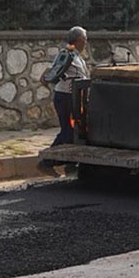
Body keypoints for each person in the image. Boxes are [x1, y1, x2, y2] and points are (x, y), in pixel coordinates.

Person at [39, 26, 90, 176]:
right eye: (85, 40)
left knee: (77, 132)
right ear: (79, 40)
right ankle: (46, 162)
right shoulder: (68, 54)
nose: (86, 43)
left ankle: (70, 164)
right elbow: (53, 69)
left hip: (73, 98)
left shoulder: (73, 54)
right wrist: (46, 77)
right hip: (66, 98)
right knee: (68, 131)